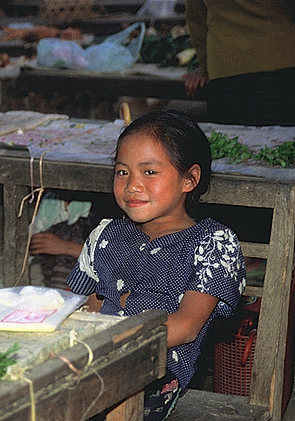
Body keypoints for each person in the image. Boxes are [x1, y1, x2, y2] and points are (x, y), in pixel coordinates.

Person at [66, 110, 245, 420]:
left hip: (151, 380)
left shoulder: (212, 243)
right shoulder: (106, 236)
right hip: (92, 366)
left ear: (190, 179)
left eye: (149, 172)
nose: (132, 185)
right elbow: (88, 312)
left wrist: (103, 341)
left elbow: (185, 328)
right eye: (123, 172)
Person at [182, 0, 295, 126]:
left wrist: (204, 68)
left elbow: (196, 19)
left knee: (232, 140)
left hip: (226, 68)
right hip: (283, 61)